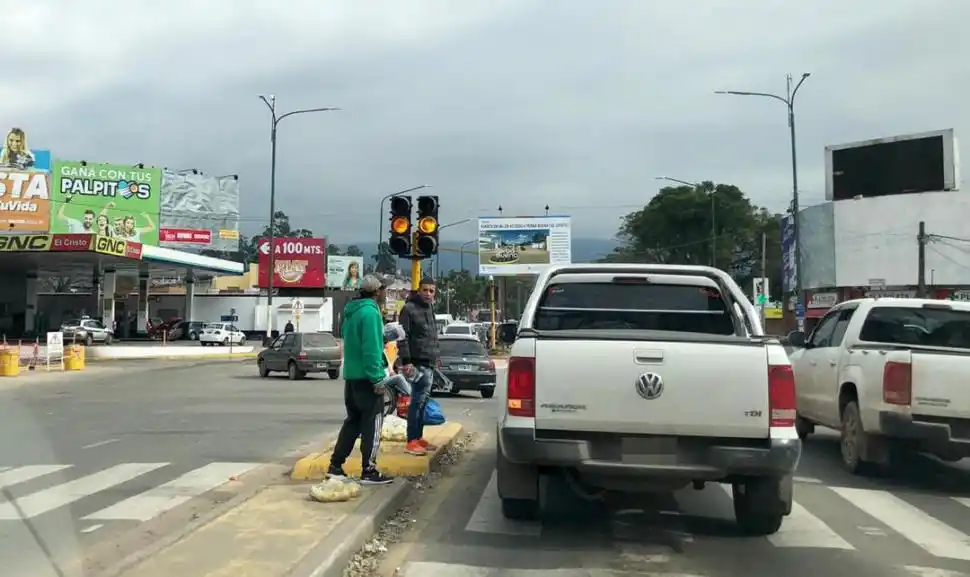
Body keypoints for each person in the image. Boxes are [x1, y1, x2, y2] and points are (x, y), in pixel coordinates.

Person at [327, 275, 394, 485]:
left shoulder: (351, 312)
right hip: (367, 378)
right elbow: (371, 350)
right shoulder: (371, 313)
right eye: (385, 290)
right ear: (377, 292)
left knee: (352, 423)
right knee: (373, 424)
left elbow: (354, 341)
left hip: (352, 377)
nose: (386, 293)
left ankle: (335, 466)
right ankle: (369, 470)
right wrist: (378, 379)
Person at [397, 277, 440, 456]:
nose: (428, 294)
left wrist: (436, 356)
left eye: (431, 291)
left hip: (429, 361)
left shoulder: (429, 308)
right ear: (419, 290)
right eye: (425, 290)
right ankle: (412, 441)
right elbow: (402, 337)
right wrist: (406, 361)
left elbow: (431, 335)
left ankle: (419, 437)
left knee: (423, 401)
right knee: (417, 401)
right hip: (416, 362)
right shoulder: (408, 309)